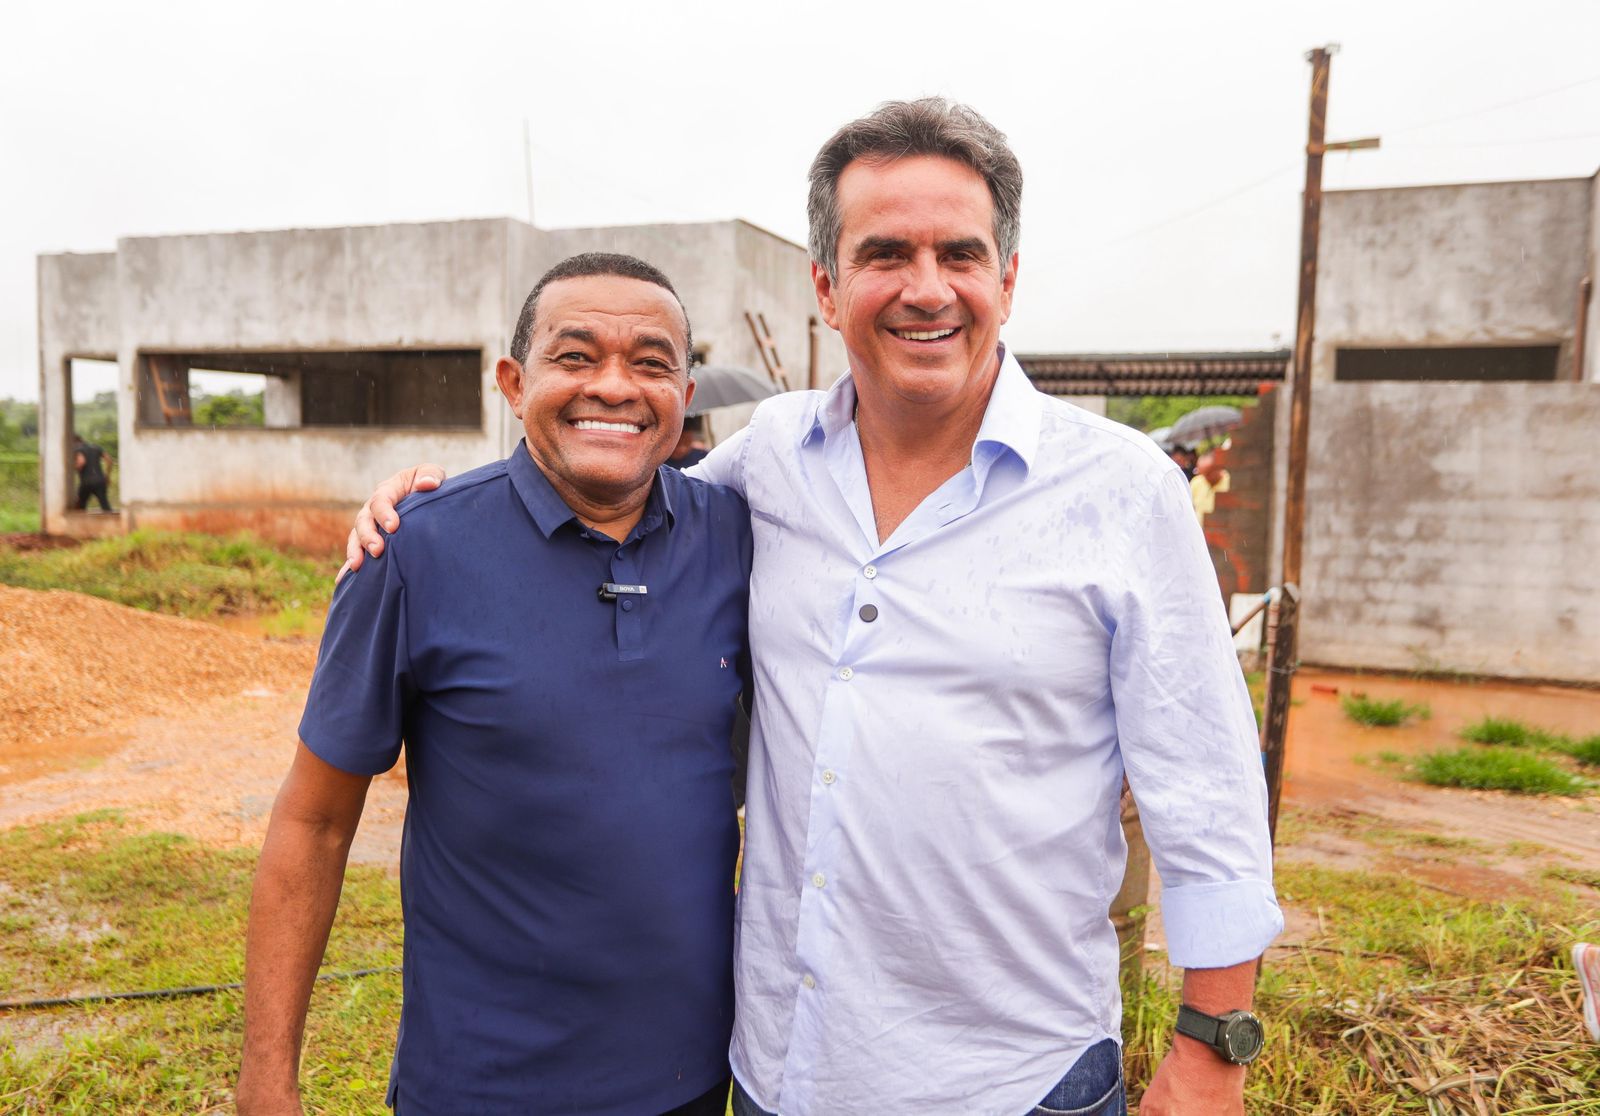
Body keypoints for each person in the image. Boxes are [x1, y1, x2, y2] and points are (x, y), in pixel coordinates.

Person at [351, 98, 1281, 1116]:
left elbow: (1208, 791)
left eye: (959, 255)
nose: (926, 289)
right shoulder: (768, 462)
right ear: (828, 288)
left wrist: (1211, 1053)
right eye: (885, 253)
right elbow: (610, 497)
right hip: (779, 1074)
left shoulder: (1121, 492)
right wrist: (433, 508)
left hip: (1010, 1082)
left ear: (1006, 281)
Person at [239, 253, 753, 1116]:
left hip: (693, 1076)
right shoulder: (414, 550)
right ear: (514, 383)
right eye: (575, 356)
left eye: (651, 363)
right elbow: (315, 821)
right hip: (483, 1084)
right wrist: (266, 1077)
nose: (614, 387)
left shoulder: (739, 537)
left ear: (685, 395)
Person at [1190, 449, 1231, 527]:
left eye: (1208, 473)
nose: (1206, 477)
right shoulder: (1196, 482)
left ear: (1217, 469)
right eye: (1203, 474)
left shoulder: (1230, 481)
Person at [73, 434, 114, 511]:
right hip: (100, 480)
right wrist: (107, 476)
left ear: (75, 442)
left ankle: (80, 518)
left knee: (80, 506)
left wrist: (72, 468)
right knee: (105, 505)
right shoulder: (96, 447)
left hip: (86, 481)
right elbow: (109, 460)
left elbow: (81, 462)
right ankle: (109, 517)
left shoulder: (77, 449)